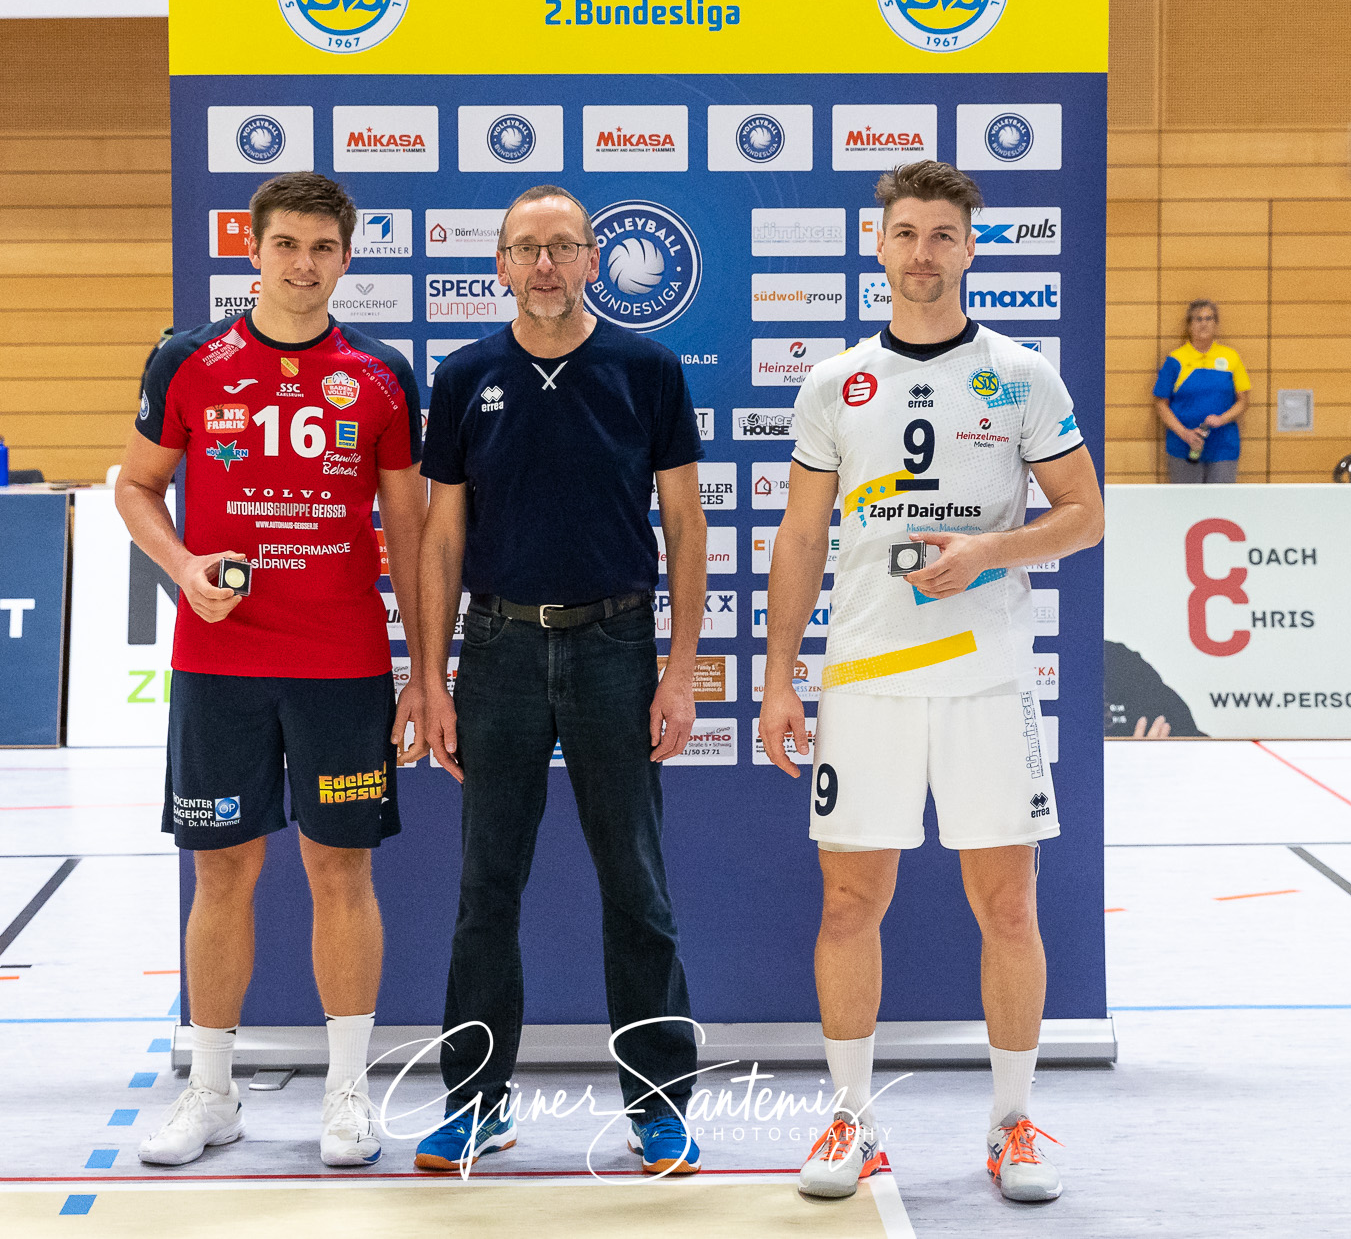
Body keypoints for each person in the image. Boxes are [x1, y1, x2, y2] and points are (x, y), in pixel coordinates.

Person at [759, 161, 1105, 1205]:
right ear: (878, 247)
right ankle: (852, 1121)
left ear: (969, 248)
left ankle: (1012, 1124)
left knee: (1005, 904)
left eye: (940, 235)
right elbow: (801, 534)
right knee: (847, 903)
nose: (921, 253)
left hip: (984, 684)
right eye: (904, 233)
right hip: (863, 682)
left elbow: (1082, 514)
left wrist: (991, 551)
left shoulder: (1019, 375)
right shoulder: (834, 383)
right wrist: (779, 677)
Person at [117, 172, 431, 1171]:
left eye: (322, 249)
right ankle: (211, 1094)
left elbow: (411, 529)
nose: (302, 265)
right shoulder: (187, 359)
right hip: (220, 662)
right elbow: (133, 488)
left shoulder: (379, 374)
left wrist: (424, 672)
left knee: (341, 868)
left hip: (340, 665)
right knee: (222, 869)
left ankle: (347, 1096)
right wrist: (180, 568)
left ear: (347, 258)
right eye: (285, 245)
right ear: (251, 249)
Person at [413, 185, 706, 1176]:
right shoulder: (462, 377)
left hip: (614, 650)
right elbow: (441, 534)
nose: (542, 265)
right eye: (523, 249)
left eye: (561, 248)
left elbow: (686, 529)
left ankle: (658, 1105)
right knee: (485, 890)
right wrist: (432, 675)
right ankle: (473, 1103)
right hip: (494, 656)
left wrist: (676, 673)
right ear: (498, 265)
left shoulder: (647, 370)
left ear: (592, 259)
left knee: (637, 889)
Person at [1151, 300, 1249, 483]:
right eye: (1198, 319)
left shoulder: (1231, 357)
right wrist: (1185, 434)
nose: (1203, 323)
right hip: (1183, 447)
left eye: (1208, 318)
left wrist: (1222, 419)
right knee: (1187, 506)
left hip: (1223, 448)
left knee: (1220, 506)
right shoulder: (1175, 360)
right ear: (1189, 325)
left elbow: (1243, 401)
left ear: (1215, 324)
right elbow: (1160, 404)